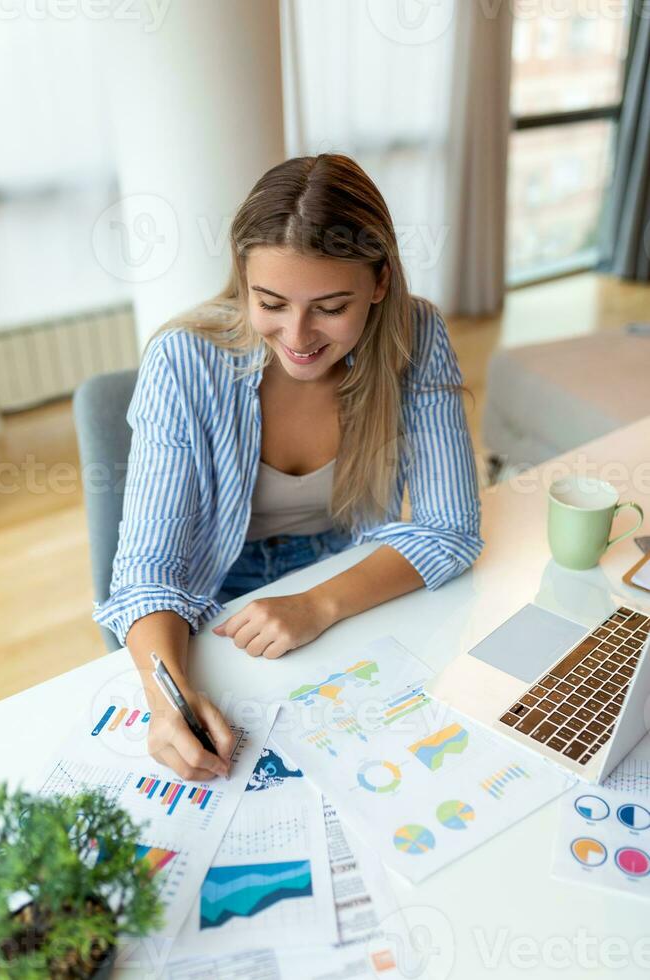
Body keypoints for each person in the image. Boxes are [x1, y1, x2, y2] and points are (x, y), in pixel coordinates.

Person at [92, 153, 484, 782]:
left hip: (348, 567)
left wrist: (318, 603)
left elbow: (450, 529)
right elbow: (147, 572)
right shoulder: (184, 361)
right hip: (215, 587)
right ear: (243, 280)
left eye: (330, 307)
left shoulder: (416, 335)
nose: (298, 335)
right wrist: (167, 700)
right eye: (270, 302)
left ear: (379, 282)